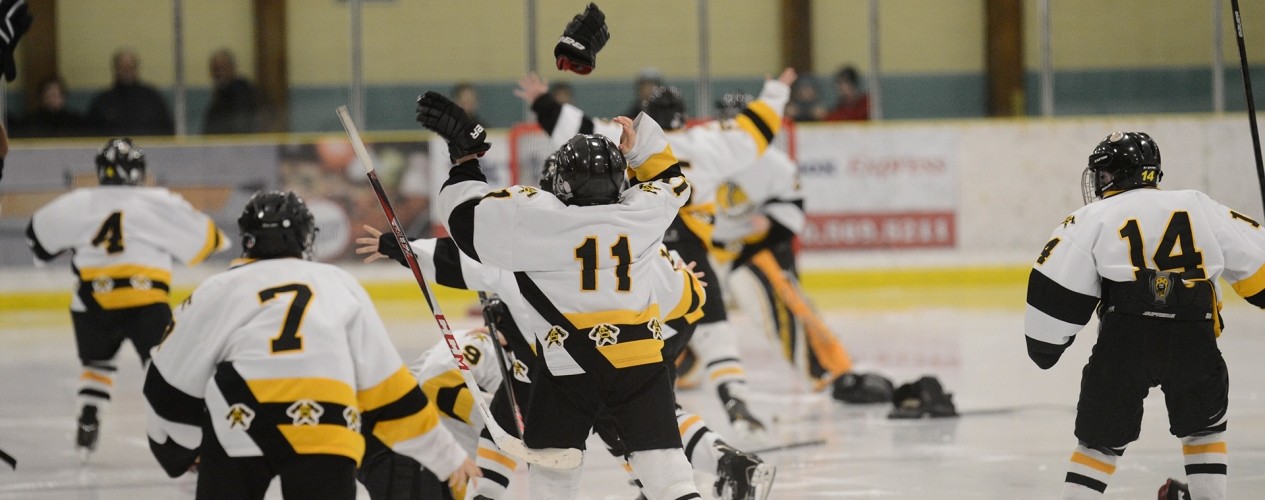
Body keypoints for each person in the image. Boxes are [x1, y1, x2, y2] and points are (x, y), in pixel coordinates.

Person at [516, 68, 841, 440]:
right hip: (689, 252)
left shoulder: (622, 135)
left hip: (637, 250)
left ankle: (657, 405)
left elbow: (575, 127)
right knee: (714, 328)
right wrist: (775, 91)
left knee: (640, 339)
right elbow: (757, 131)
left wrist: (543, 101)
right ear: (684, 117)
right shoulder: (708, 143)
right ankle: (734, 399)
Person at [418, 89, 706, 499]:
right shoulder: (643, 212)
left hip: (567, 367)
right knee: (672, 479)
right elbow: (671, 181)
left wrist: (466, 160)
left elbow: (464, 224)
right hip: (641, 362)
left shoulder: (537, 221)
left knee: (554, 479)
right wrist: (640, 145)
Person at [142, 191, 478, 499]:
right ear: (307, 238)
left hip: (240, 417)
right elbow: (389, 386)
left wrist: (177, 450)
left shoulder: (217, 288)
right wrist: (447, 457)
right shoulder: (339, 284)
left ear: (247, 240)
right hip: (327, 422)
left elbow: (166, 381)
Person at [1024, 132, 1265, 500]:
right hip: (1193, 334)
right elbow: (1257, 267)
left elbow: (1054, 290)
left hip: (1124, 337)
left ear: (1115, 176)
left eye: (1103, 176)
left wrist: (1046, 346)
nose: (1101, 183)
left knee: (1098, 444)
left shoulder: (1092, 217)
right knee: (1204, 430)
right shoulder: (1199, 205)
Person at [25, 138, 230, 461]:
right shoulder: (159, 201)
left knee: (98, 365)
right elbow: (210, 240)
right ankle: (185, 442)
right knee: (162, 368)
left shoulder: (79, 201)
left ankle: (89, 412)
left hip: (91, 301)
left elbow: (36, 238)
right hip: (144, 299)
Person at [87, 49, 175, 136]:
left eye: (130, 67)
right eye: (123, 67)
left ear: (136, 69)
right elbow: (91, 133)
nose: (126, 71)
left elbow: (167, 130)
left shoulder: (152, 98)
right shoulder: (103, 101)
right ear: (115, 69)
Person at [203, 48, 263, 135]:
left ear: (232, 68)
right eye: (214, 69)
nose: (218, 74)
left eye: (221, 68)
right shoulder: (219, 97)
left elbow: (240, 127)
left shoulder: (243, 94)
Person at [13, 76, 91, 138]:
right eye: (50, 95)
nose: (54, 99)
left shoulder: (75, 121)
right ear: (41, 98)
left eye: (57, 95)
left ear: (63, 97)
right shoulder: (31, 121)